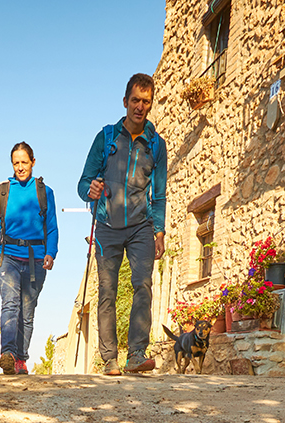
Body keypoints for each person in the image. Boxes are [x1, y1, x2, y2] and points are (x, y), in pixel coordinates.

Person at [77, 72, 167, 375]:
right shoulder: (105, 138)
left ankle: (137, 354)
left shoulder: (156, 145)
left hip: (141, 225)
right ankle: (110, 358)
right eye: (135, 101)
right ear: (125, 101)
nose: (140, 107)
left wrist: (160, 231)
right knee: (107, 290)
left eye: (146, 102)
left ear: (150, 104)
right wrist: (91, 191)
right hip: (106, 224)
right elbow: (83, 184)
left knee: (143, 284)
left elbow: (160, 194)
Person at [0, 142, 58, 375]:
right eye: (16, 163)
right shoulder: (3, 191)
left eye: (24, 162)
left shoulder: (45, 192)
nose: (20, 167)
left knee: (27, 312)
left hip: (36, 260)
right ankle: (7, 353)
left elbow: (52, 228)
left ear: (33, 162)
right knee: (10, 304)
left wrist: (51, 253)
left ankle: (21, 359)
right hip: (8, 257)